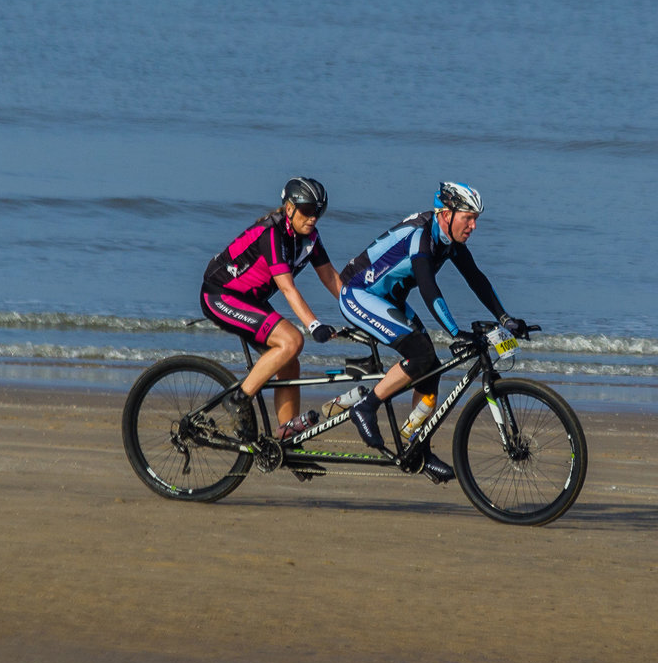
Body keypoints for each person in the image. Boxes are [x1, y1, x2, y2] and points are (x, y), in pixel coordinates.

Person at [337, 182, 529, 484]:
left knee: (432, 369)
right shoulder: (421, 236)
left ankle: (416, 445)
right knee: (421, 356)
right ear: (446, 213)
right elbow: (429, 289)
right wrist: (455, 331)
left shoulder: (449, 241)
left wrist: (506, 319)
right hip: (359, 294)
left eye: (476, 218)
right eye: (468, 217)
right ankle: (366, 407)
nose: (474, 225)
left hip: (389, 301)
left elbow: (476, 278)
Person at [201, 177, 343, 439]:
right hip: (220, 294)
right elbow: (288, 289)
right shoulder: (272, 233)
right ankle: (238, 399)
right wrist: (315, 325)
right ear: (289, 208)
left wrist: (358, 310)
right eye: (308, 210)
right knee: (292, 340)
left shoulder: (310, 237)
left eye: (319, 212)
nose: (313, 218)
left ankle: (286, 438)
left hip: (250, 299)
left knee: (290, 362)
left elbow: (331, 278)